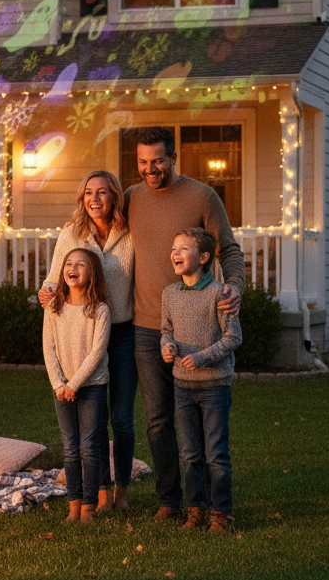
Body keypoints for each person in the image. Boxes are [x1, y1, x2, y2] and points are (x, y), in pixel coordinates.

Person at [124, 126, 244, 522]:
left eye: (157, 160)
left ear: (173, 157)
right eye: (142, 162)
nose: (150, 169)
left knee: (202, 427)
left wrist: (235, 287)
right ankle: (171, 500)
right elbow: (91, 232)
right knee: (158, 420)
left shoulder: (201, 196)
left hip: (198, 328)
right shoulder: (131, 198)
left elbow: (227, 247)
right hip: (147, 327)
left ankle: (212, 503)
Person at [39, 170, 136, 512]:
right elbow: (55, 277)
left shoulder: (130, 232)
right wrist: (46, 291)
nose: (95, 199)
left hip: (122, 332)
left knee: (121, 418)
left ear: (114, 198)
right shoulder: (71, 233)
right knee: (91, 422)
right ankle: (101, 493)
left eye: (103, 192)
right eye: (88, 193)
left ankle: (122, 490)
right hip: (82, 331)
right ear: (82, 199)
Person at [161, 228, 242, 532]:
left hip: (214, 388)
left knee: (216, 454)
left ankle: (221, 513)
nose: (176, 253)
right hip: (182, 386)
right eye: (174, 248)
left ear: (204, 257)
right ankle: (195, 511)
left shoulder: (220, 294)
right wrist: (166, 347)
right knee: (191, 453)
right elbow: (166, 330)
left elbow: (233, 337)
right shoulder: (170, 294)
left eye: (184, 248)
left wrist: (202, 358)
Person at [42, 248, 112, 523]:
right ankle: (73, 506)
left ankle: (88, 508)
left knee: (89, 447)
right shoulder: (53, 307)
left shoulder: (100, 310)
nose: (73, 268)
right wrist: (60, 384)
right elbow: (48, 348)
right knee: (70, 448)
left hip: (92, 385)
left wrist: (74, 384)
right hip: (61, 388)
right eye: (68, 263)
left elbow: (97, 352)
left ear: (91, 272)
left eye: (80, 264)